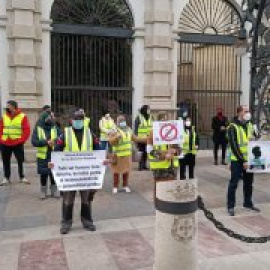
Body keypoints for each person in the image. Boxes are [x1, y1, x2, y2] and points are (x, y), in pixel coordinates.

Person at [52, 108, 101, 234]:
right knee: (68, 199)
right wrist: (53, 162)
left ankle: (87, 221)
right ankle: (66, 223)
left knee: (86, 199)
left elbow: (99, 150)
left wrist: (103, 161)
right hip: (70, 174)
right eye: (76, 119)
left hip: (86, 173)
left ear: (84, 120)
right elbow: (57, 150)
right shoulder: (65, 133)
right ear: (71, 120)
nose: (78, 121)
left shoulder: (91, 133)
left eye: (81, 119)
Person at [227, 105, 260, 216]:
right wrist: (243, 161)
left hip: (249, 159)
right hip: (237, 160)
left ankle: (247, 203)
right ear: (239, 113)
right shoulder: (232, 127)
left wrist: (256, 134)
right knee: (234, 183)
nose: (248, 113)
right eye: (246, 111)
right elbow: (234, 146)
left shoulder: (250, 125)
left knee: (249, 183)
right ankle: (230, 206)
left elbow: (257, 139)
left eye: (248, 111)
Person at [109, 115, 146, 194]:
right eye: (121, 121)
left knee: (126, 171)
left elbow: (135, 138)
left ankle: (125, 186)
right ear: (117, 122)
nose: (123, 122)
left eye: (123, 121)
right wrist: (116, 137)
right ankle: (115, 186)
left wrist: (146, 139)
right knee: (116, 172)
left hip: (127, 154)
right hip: (117, 155)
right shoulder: (114, 130)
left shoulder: (128, 129)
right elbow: (111, 141)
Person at [147, 113, 180, 198]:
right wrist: (162, 155)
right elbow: (149, 150)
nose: (164, 122)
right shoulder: (152, 132)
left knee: (171, 192)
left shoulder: (172, 132)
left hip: (172, 168)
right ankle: (158, 209)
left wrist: (174, 151)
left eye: (166, 120)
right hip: (159, 169)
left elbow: (179, 150)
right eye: (162, 120)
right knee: (159, 192)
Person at [32, 111, 61, 199]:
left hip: (54, 154)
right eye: (49, 117)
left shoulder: (55, 127)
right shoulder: (38, 128)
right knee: (43, 174)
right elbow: (34, 142)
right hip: (43, 155)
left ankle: (54, 191)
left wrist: (54, 141)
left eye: (51, 117)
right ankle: (43, 192)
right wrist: (46, 142)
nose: (51, 119)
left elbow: (61, 137)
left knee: (53, 173)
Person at [0, 100, 30, 185]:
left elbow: (26, 129)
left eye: (9, 105)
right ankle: (6, 178)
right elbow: (1, 128)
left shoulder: (22, 116)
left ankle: (22, 177)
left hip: (17, 143)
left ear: (13, 106)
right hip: (5, 143)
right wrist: (1, 139)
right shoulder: (4, 116)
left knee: (20, 161)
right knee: (6, 161)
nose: (7, 107)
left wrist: (21, 140)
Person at [134, 105, 153, 170]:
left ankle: (144, 165)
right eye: (148, 109)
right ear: (144, 110)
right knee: (140, 152)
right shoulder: (139, 118)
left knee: (146, 152)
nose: (149, 111)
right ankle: (140, 166)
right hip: (141, 138)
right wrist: (135, 138)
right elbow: (136, 129)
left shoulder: (151, 117)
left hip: (148, 138)